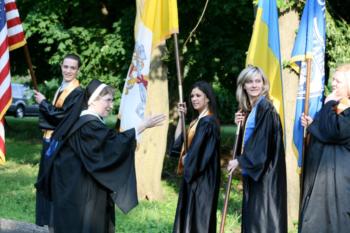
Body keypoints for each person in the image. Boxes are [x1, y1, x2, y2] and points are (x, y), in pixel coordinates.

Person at [35, 79, 166, 233]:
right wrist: (142, 126)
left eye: (112, 100)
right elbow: (113, 145)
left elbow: (106, 143)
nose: (111, 105)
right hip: (81, 193)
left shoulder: (83, 122)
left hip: (73, 189)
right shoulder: (89, 125)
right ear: (92, 101)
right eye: (108, 100)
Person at [227, 66, 287, 233]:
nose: (254, 85)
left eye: (258, 81)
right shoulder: (252, 109)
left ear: (263, 84)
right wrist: (240, 125)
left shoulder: (266, 108)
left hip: (264, 175)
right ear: (243, 86)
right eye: (249, 81)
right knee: (254, 220)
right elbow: (249, 141)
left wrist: (240, 161)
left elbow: (262, 143)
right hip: (255, 173)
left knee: (261, 222)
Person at [299, 64, 350, 233]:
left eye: (338, 81)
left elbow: (335, 132)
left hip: (339, 178)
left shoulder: (342, 107)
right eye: (333, 79)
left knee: (334, 222)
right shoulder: (336, 104)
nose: (333, 83)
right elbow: (325, 131)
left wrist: (327, 105)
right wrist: (313, 125)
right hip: (323, 174)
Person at [34, 53, 83, 227]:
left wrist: (43, 103)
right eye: (66, 66)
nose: (68, 70)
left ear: (78, 70)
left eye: (72, 67)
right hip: (50, 141)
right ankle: (49, 224)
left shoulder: (77, 93)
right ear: (61, 66)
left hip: (61, 145)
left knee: (55, 185)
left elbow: (63, 117)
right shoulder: (62, 87)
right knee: (46, 183)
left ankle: (56, 225)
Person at [171, 81, 221, 233]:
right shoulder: (196, 122)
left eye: (198, 95)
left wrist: (189, 160)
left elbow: (201, 153)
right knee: (188, 219)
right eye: (192, 96)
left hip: (203, 179)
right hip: (193, 176)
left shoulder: (209, 122)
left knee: (199, 221)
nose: (194, 99)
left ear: (208, 99)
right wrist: (181, 117)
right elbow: (178, 144)